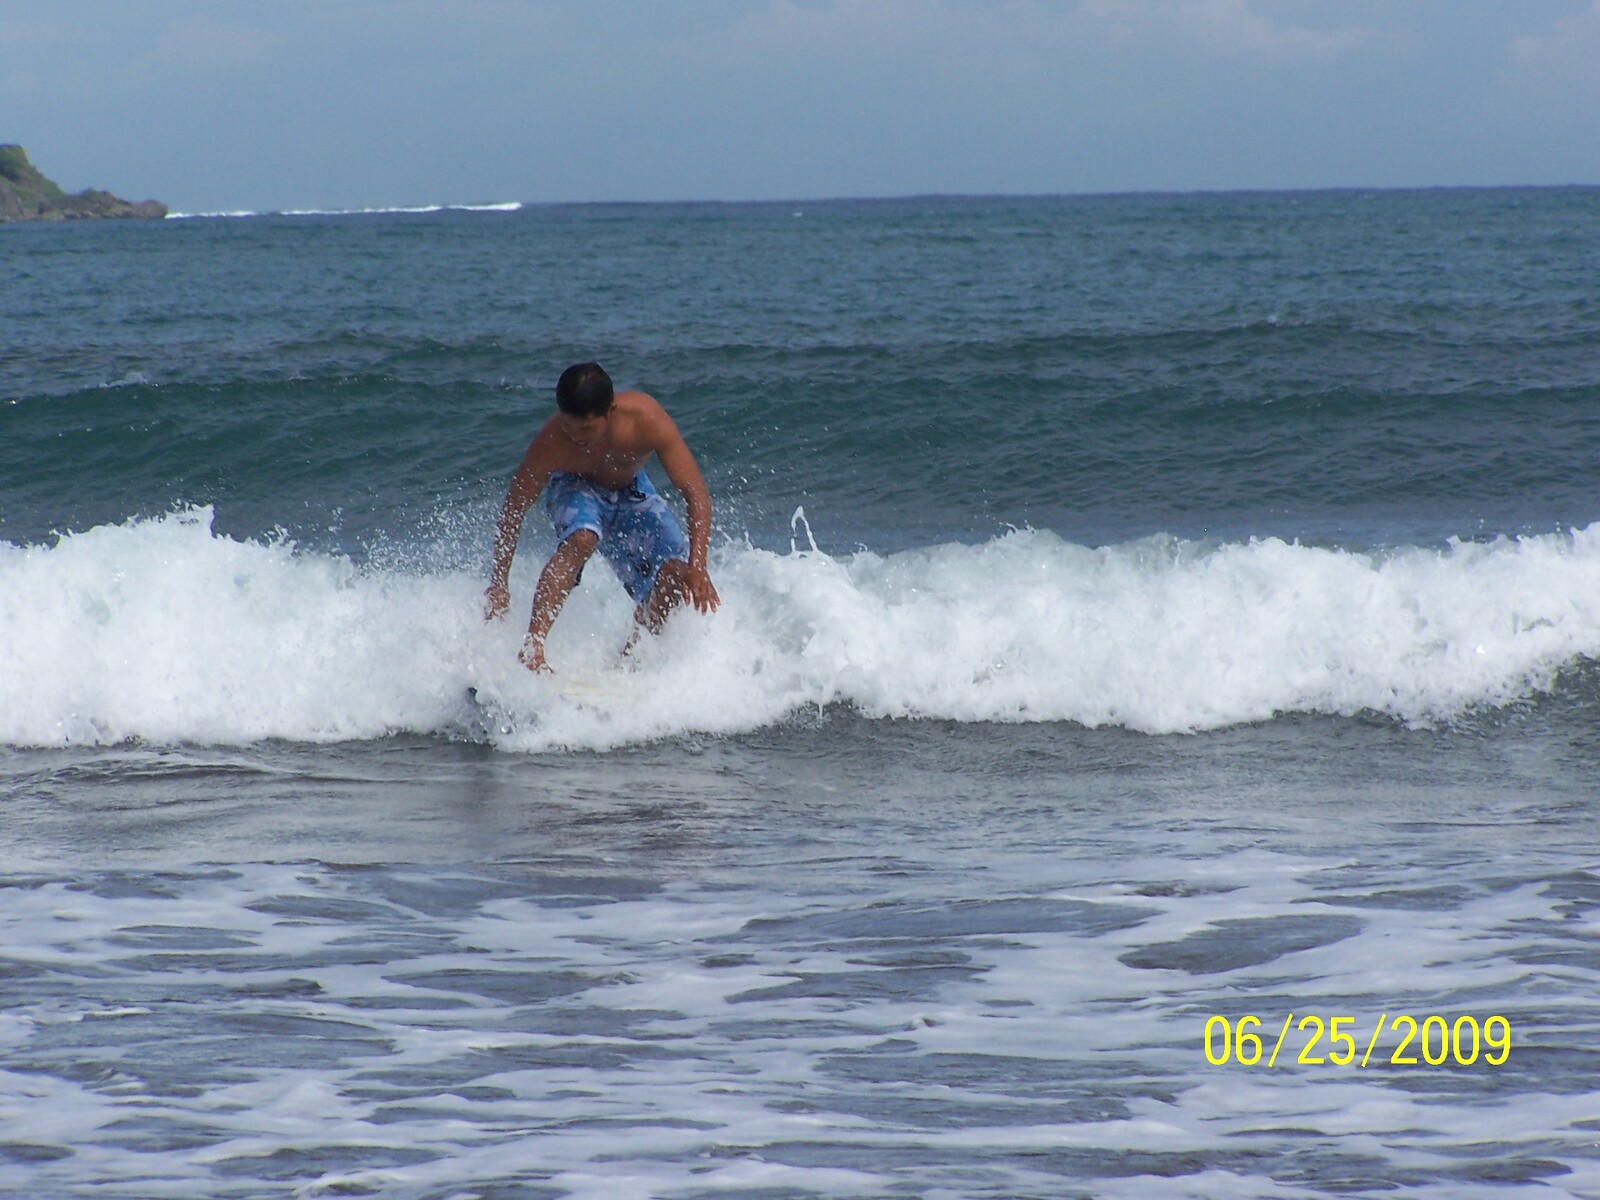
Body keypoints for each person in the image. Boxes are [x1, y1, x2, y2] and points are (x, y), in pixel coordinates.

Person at [484, 362, 720, 671]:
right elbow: (514, 509)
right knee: (583, 537)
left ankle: (631, 659)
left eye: (586, 429)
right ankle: (533, 648)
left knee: (677, 574)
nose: (577, 437)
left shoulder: (645, 419)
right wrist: (499, 583)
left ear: (611, 409)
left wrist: (698, 567)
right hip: (574, 487)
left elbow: (696, 494)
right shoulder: (552, 442)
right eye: (569, 427)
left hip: (632, 490)